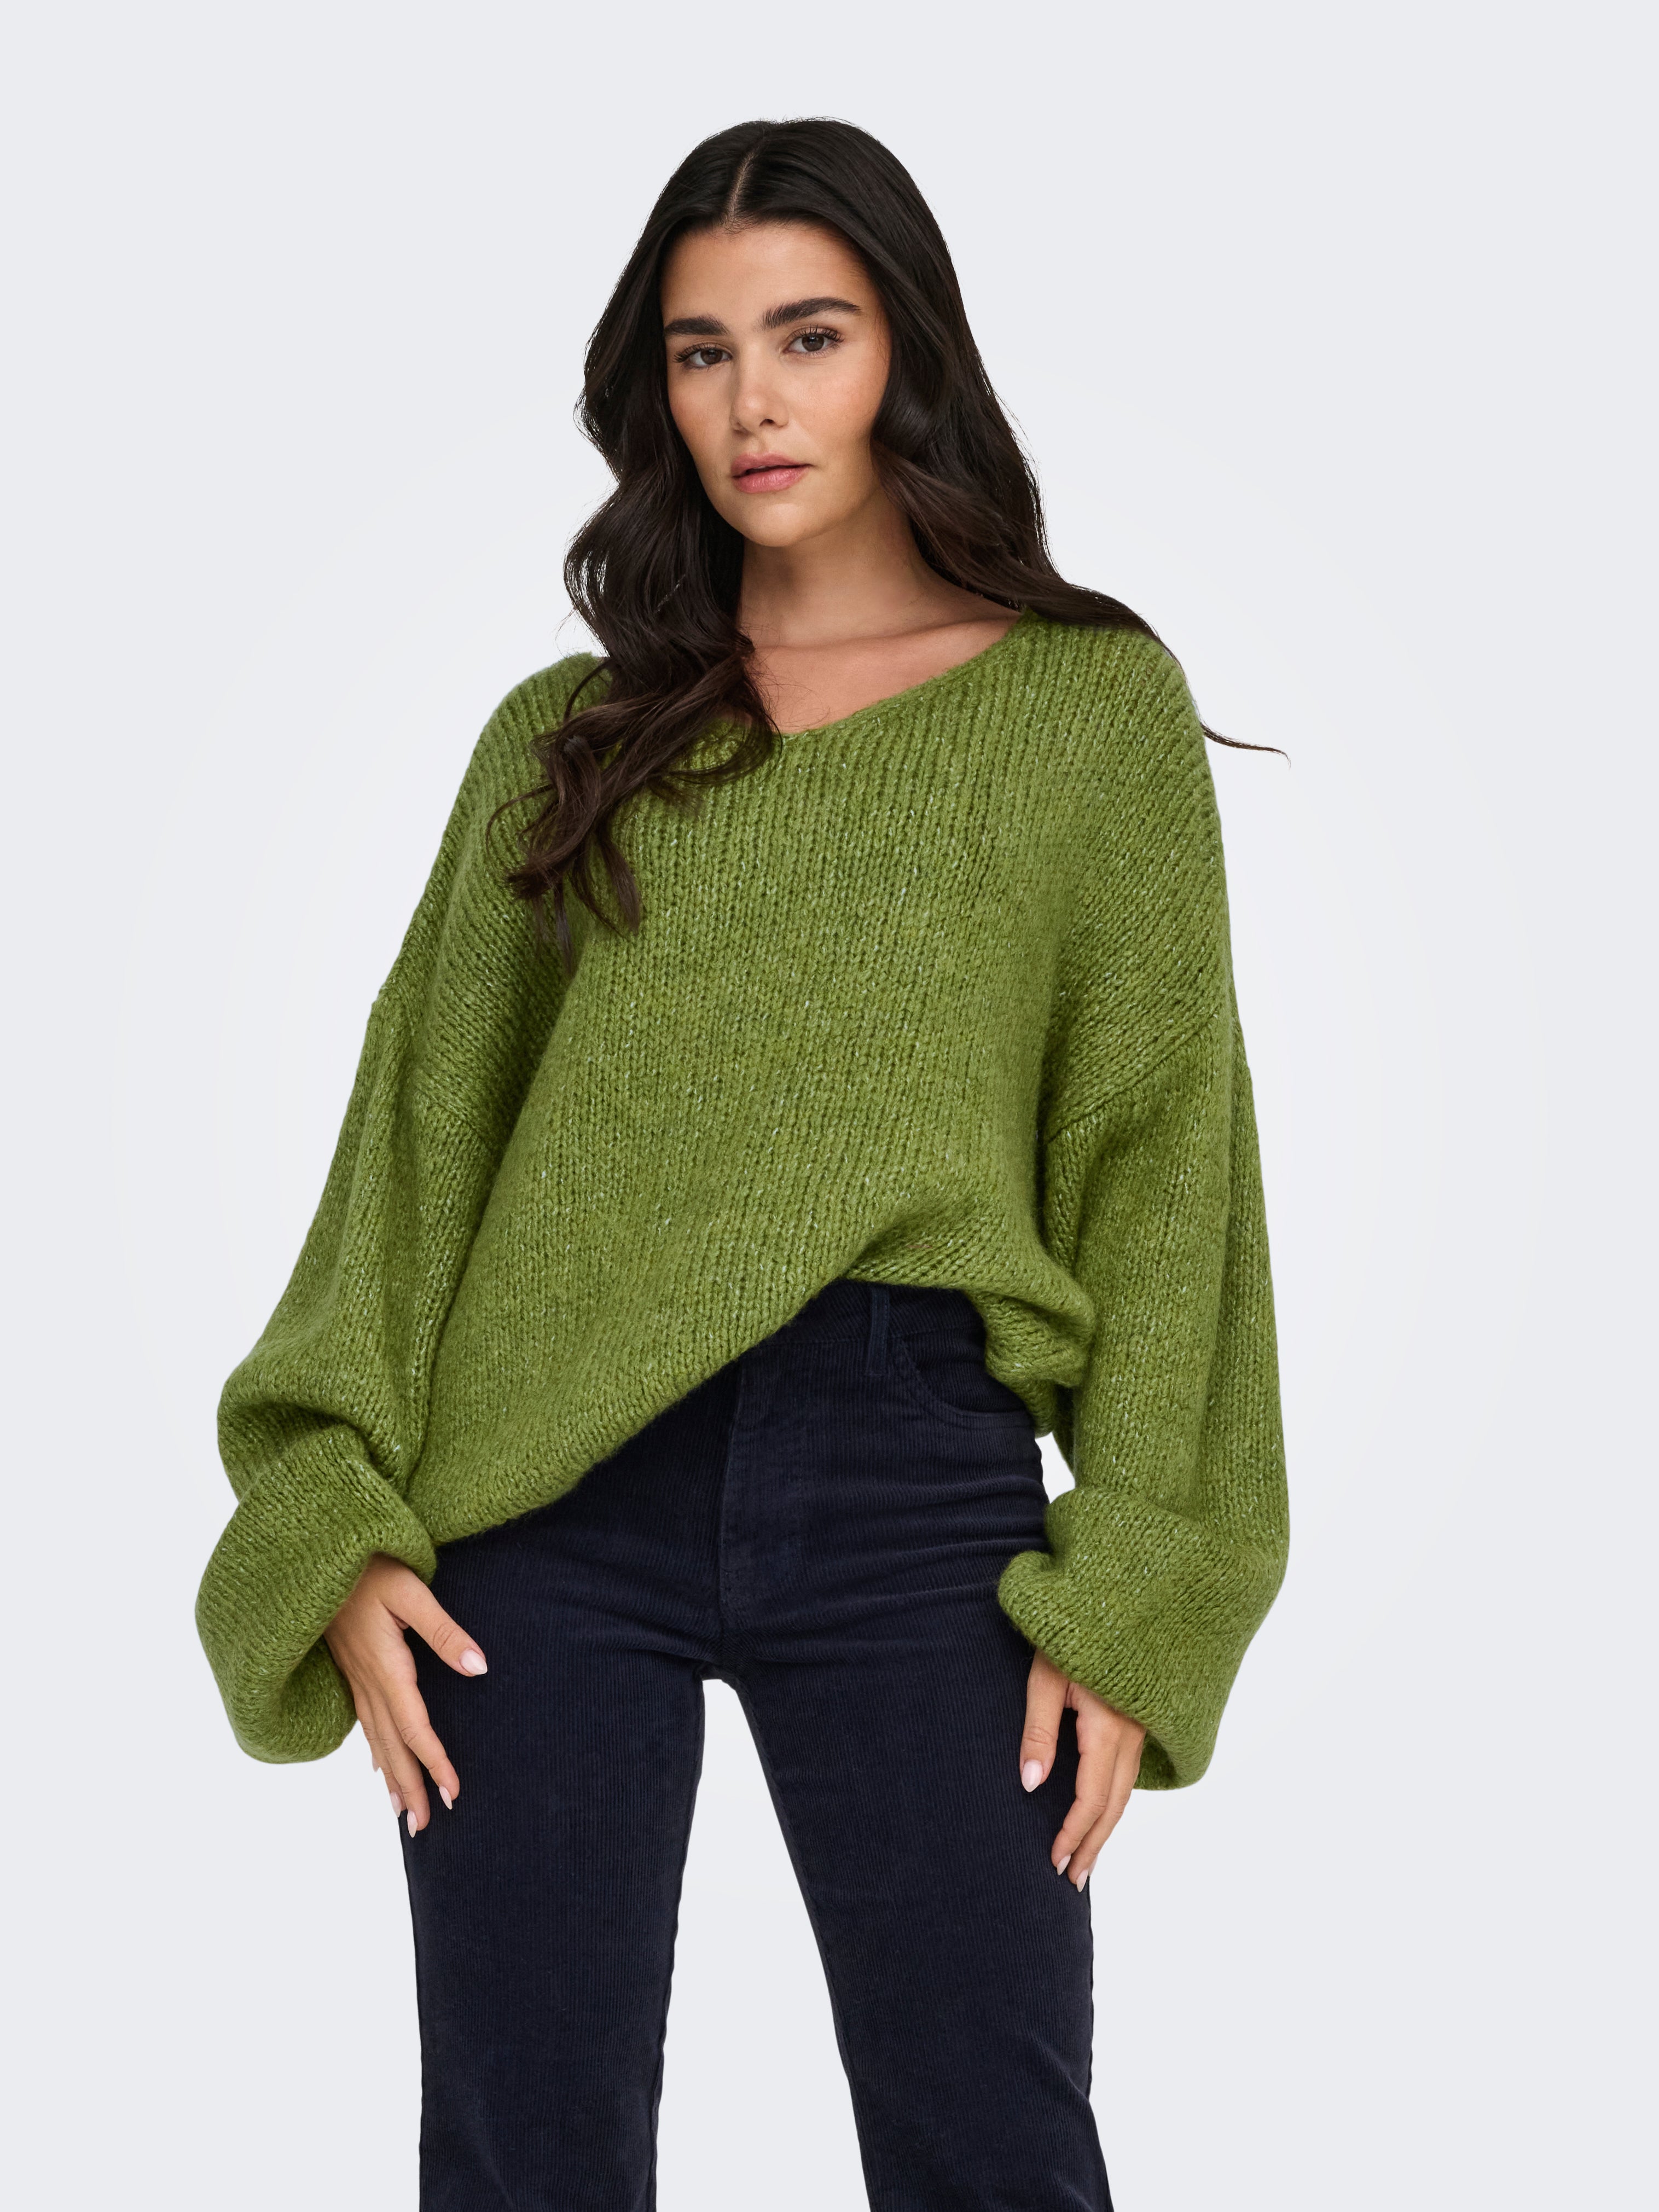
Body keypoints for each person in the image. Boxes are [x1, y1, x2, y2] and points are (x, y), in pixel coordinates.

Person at [198, 116, 1289, 2211]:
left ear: (908, 357)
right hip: (542, 1500)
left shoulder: (1090, 717)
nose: (753, 403)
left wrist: (1146, 1569)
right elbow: (420, 1138)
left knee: (994, 2144)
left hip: (911, 1480)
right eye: (702, 352)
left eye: (810, 336)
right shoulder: (570, 731)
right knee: (524, 2158)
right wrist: (328, 1503)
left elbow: (1167, 1168)